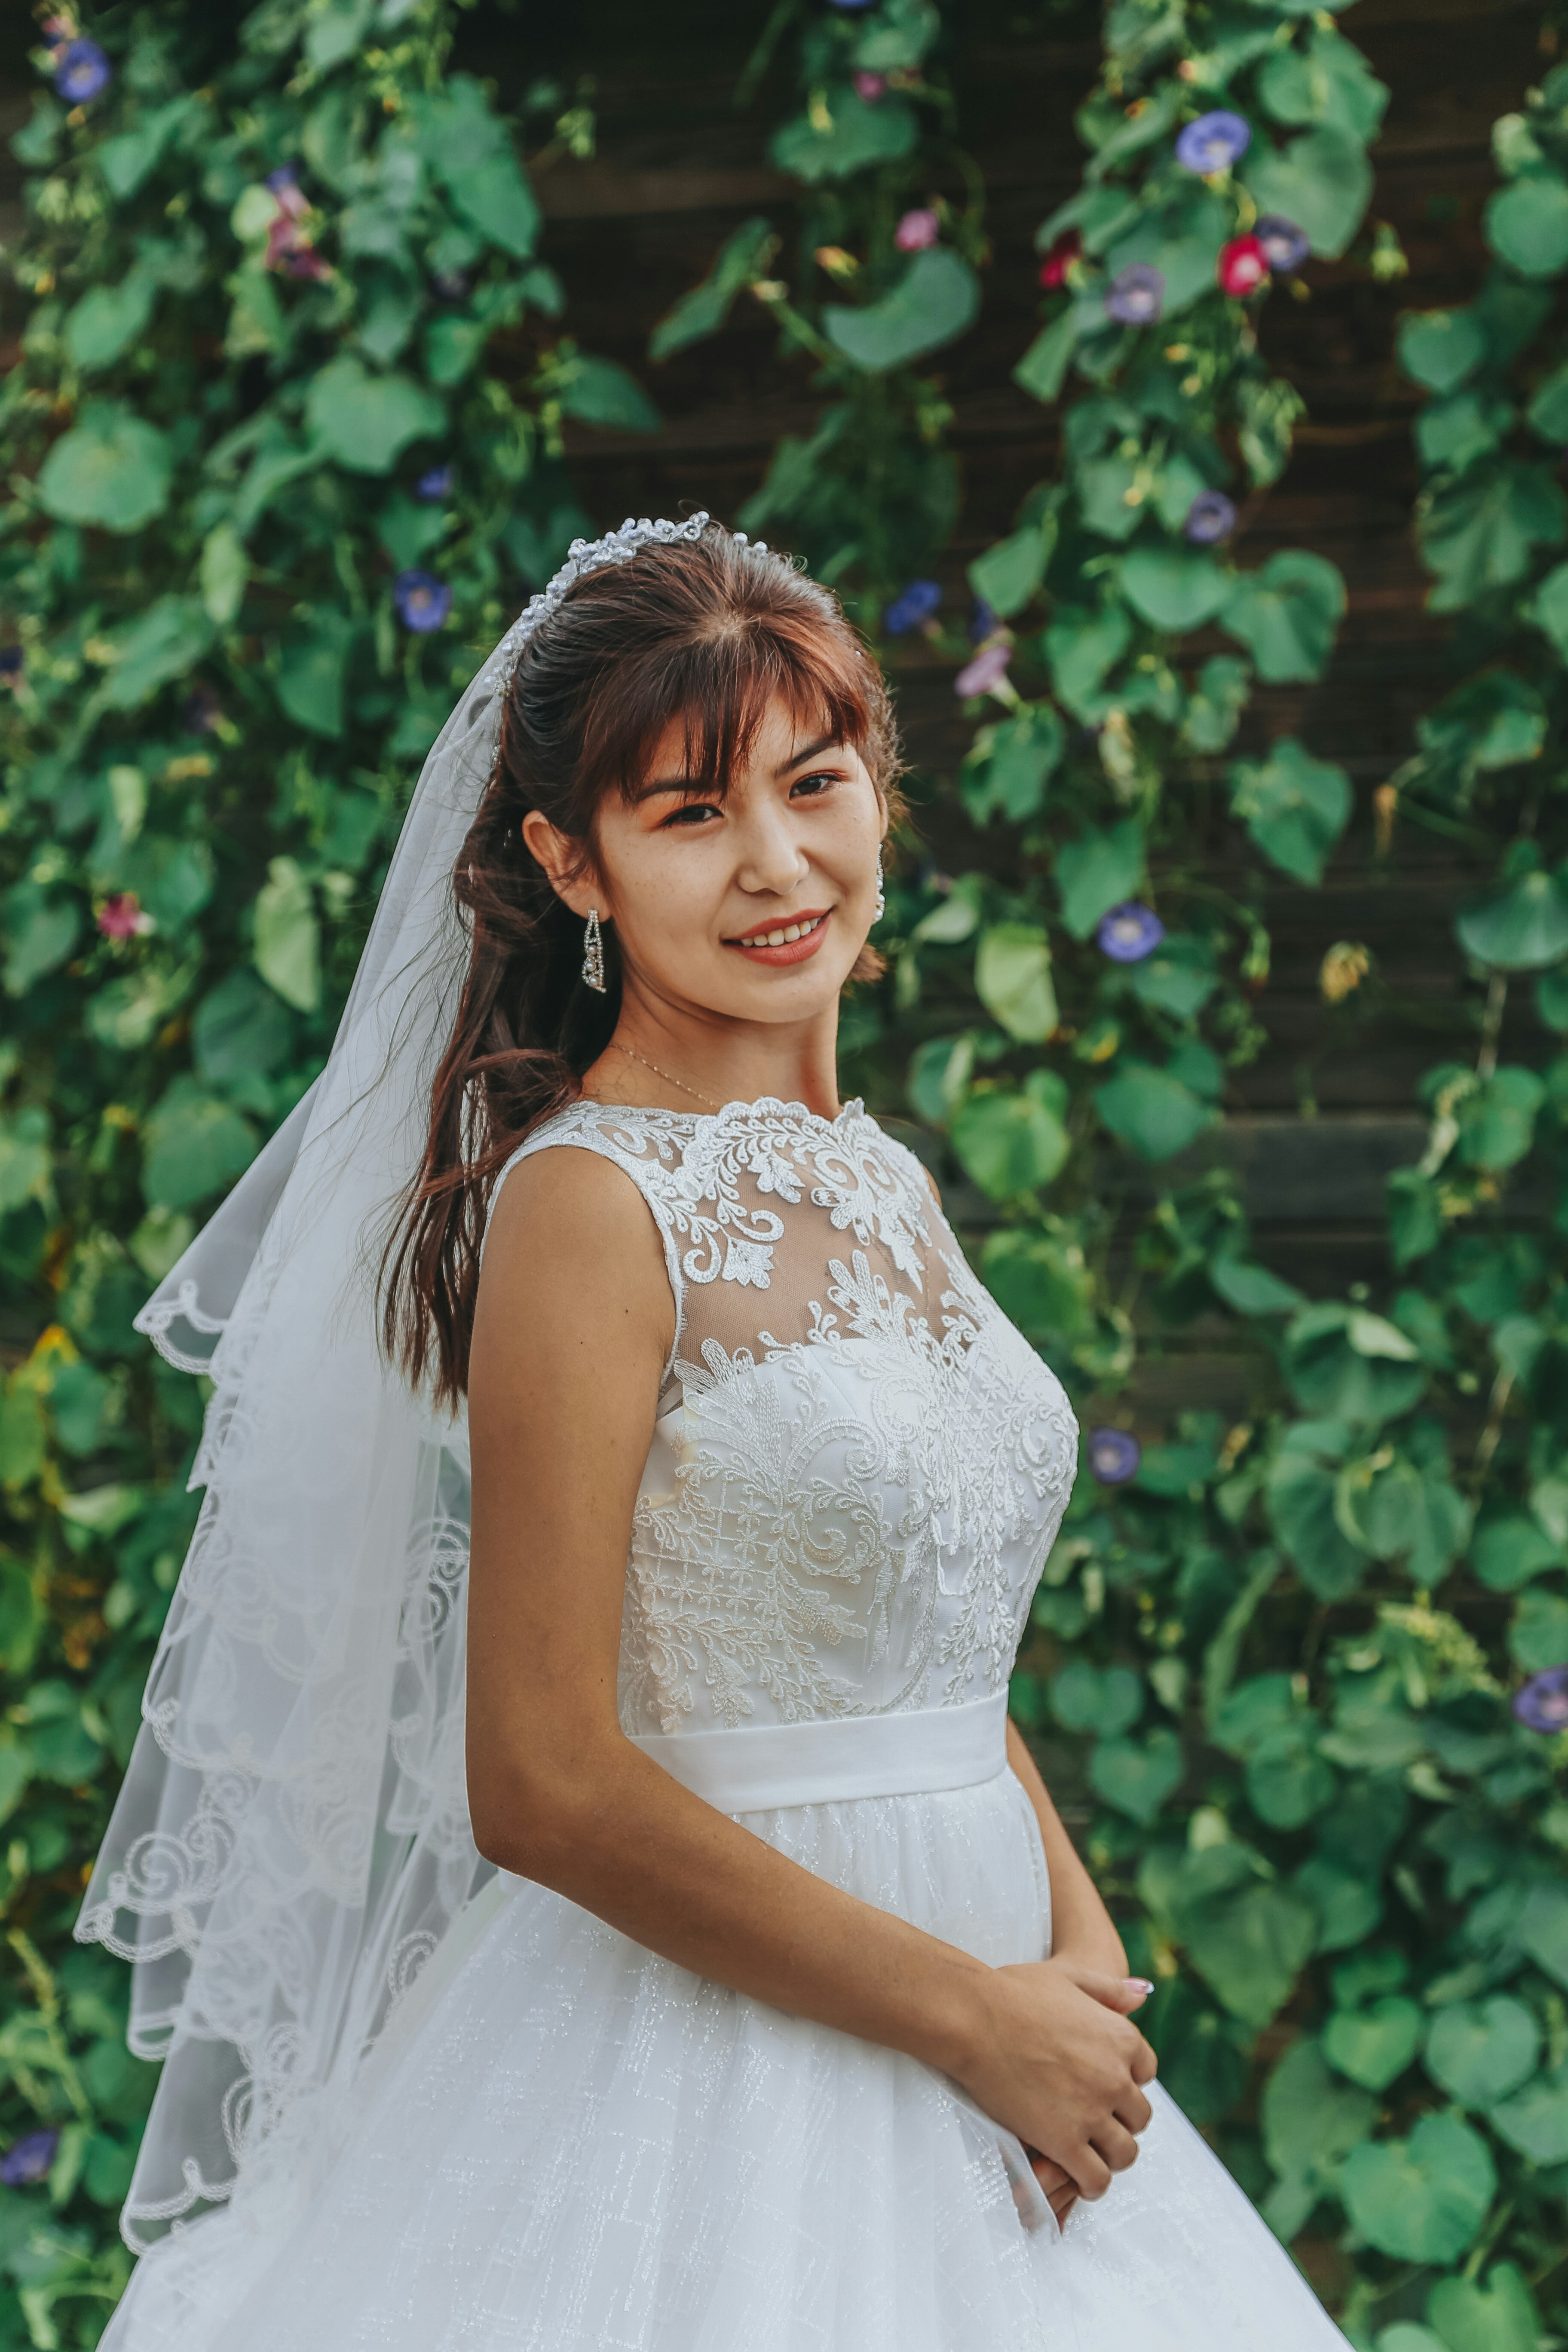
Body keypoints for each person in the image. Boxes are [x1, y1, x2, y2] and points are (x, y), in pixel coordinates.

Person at [79, 516, 1351, 2349]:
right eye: (689, 815)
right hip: (716, 2062)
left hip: (994, 2025)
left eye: (814, 784)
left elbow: (932, 1645)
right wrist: (963, 2015)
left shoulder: (884, 1176)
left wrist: (1071, 1960)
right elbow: (541, 1777)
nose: (778, 865)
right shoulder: (587, 1206)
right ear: (569, 863)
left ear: (882, 795)